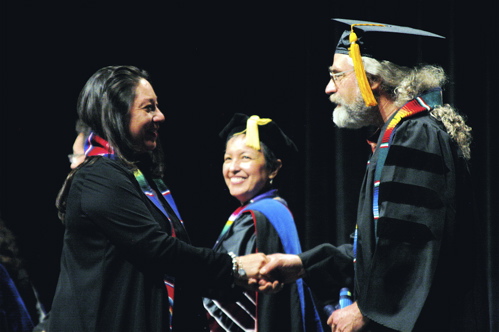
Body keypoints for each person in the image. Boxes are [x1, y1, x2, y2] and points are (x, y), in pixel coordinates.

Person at [259, 19, 485, 331]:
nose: (328, 88)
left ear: (373, 79)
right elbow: (375, 247)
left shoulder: (416, 135)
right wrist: (300, 264)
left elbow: (413, 246)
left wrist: (367, 310)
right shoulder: (396, 136)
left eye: (337, 75)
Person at [49, 65, 277, 332]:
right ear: (117, 114)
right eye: (148, 108)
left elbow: (173, 258)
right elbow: (157, 249)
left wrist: (240, 280)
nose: (161, 116)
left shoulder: (141, 177)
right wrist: (234, 268)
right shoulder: (98, 177)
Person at [203, 113, 323, 332]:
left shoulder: (257, 218)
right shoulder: (273, 210)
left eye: (245, 158)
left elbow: (227, 301)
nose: (233, 168)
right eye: (228, 158)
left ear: (274, 169)